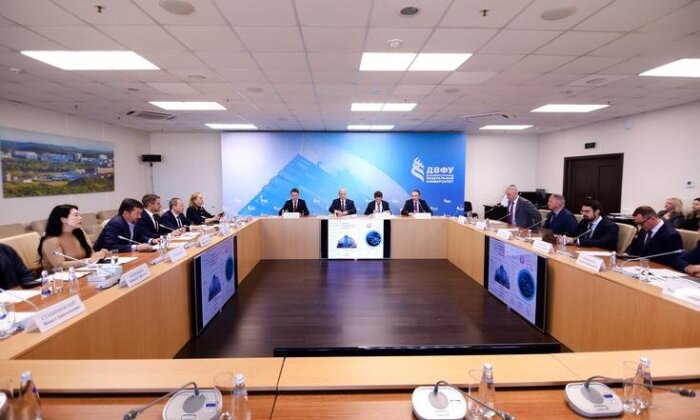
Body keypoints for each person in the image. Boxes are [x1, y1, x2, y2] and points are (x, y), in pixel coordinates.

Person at [39, 204, 106, 271]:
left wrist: (99, 254)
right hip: (59, 276)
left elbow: (90, 254)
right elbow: (60, 265)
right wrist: (88, 261)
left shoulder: (78, 233)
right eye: (76, 215)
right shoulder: (51, 240)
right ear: (63, 219)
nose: (80, 218)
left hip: (83, 272)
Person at [92, 198, 158, 253]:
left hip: (126, 254)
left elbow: (138, 236)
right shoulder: (115, 223)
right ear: (126, 213)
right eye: (137, 213)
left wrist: (151, 240)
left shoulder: (135, 220)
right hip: (104, 256)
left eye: (140, 213)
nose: (140, 216)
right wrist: (136, 247)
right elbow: (110, 245)